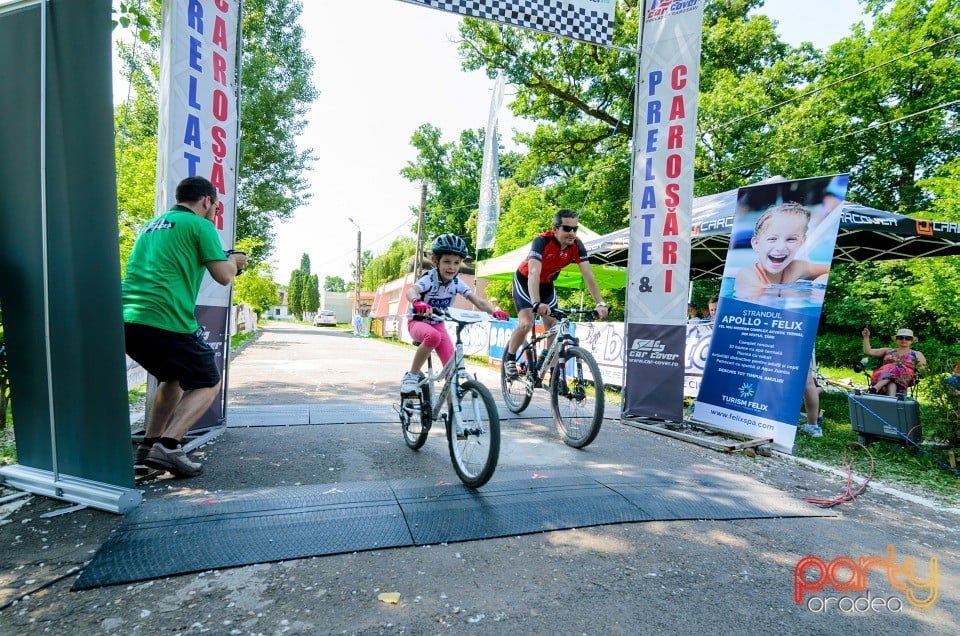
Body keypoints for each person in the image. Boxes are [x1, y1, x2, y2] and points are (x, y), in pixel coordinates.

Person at [124, 176, 248, 478]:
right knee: (208, 381)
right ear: (206, 201)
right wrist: (236, 261)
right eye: (215, 208)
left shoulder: (151, 225)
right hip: (165, 319)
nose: (213, 213)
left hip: (128, 317)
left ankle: (146, 451)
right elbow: (223, 276)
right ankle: (169, 445)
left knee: (172, 379)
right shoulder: (200, 226)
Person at [503, 209, 608, 377]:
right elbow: (533, 273)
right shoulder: (541, 241)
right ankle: (509, 359)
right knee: (527, 323)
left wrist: (600, 303)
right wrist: (536, 302)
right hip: (526, 280)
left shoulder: (577, 245)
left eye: (575, 229)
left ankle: (547, 370)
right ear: (555, 229)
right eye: (567, 228)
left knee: (554, 326)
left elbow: (588, 275)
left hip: (547, 284)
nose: (572, 233)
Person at [400, 234, 508, 394]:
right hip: (418, 323)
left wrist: (495, 311)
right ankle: (412, 375)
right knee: (433, 337)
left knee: (452, 374)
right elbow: (412, 291)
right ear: (436, 261)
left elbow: (478, 301)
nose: (452, 267)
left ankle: (453, 416)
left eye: (456, 263)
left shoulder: (457, 282)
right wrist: (417, 301)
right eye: (446, 262)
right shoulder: (430, 278)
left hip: (438, 324)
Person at [734, 201, 830, 302]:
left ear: (801, 242)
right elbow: (766, 299)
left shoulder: (795, 268)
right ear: (756, 243)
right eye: (772, 239)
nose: (781, 247)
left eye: (791, 239)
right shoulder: (747, 275)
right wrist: (805, 293)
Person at [862, 327, 927, 396]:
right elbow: (868, 351)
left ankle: (876, 387)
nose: (904, 340)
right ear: (896, 340)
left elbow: (922, 370)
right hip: (884, 374)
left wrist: (908, 368)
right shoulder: (888, 350)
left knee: (898, 366)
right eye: (900, 337)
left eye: (907, 338)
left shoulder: (916, 354)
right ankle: (892, 400)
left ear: (911, 341)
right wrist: (866, 337)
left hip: (904, 377)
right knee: (892, 380)